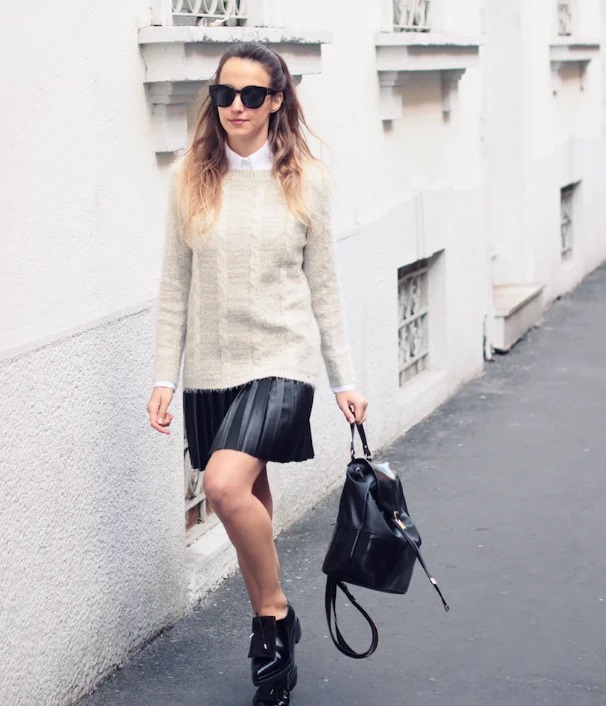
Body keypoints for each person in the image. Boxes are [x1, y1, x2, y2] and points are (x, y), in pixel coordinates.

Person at [146, 41, 368, 706]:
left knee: (221, 486)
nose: (235, 107)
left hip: (281, 360)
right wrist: (163, 377)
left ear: (276, 100)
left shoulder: (307, 180)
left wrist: (343, 379)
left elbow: (324, 288)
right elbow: (174, 287)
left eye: (250, 95)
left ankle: (273, 615)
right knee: (249, 501)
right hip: (210, 368)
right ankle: (274, 650)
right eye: (224, 94)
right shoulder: (189, 176)